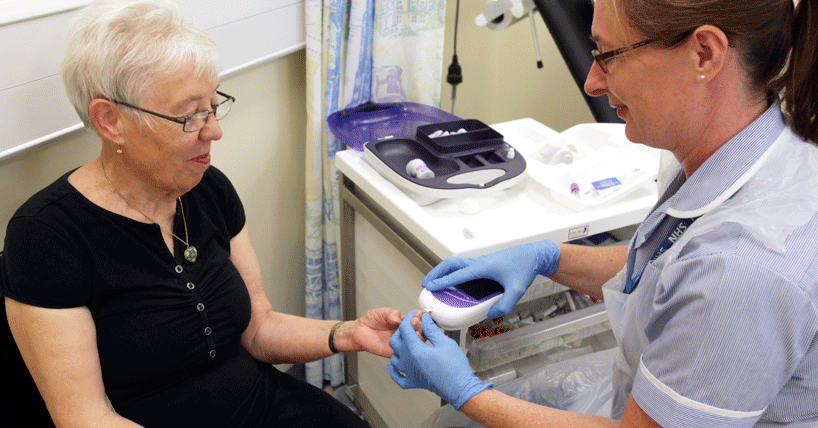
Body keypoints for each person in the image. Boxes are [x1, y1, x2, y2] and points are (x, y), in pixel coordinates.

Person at [387, 0, 818, 426]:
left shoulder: (741, 269)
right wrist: (548, 257)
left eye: (609, 55)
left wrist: (467, 393)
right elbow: (670, 265)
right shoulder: (747, 145)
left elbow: (708, 278)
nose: (592, 82)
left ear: (704, 53)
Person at [0, 1, 403, 427]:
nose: (214, 130)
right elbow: (85, 418)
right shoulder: (46, 237)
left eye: (213, 105)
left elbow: (259, 329)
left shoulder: (208, 188)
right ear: (110, 120)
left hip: (260, 401)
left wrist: (348, 333)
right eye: (190, 115)